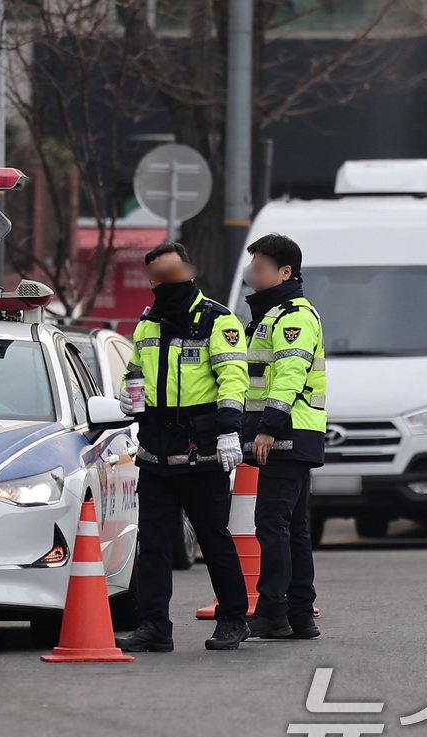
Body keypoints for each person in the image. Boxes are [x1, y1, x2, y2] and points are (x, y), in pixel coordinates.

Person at [115, 243, 252, 652]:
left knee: (213, 539)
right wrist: (128, 394)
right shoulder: (147, 324)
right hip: (155, 450)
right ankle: (155, 625)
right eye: (157, 276)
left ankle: (233, 618)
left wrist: (229, 431)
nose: (164, 283)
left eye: (172, 273)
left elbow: (233, 378)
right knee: (154, 544)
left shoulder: (217, 320)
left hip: (202, 450)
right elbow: (134, 371)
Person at [240, 233, 325, 640]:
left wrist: (268, 428)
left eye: (259, 267)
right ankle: (299, 614)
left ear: (284, 272)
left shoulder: (292, 316)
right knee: (292, 527)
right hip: (292, 435)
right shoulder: (274, 315)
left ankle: (273, 611)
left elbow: (289, 374)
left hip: (287, 434)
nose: (252, 274)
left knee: (271, 524)